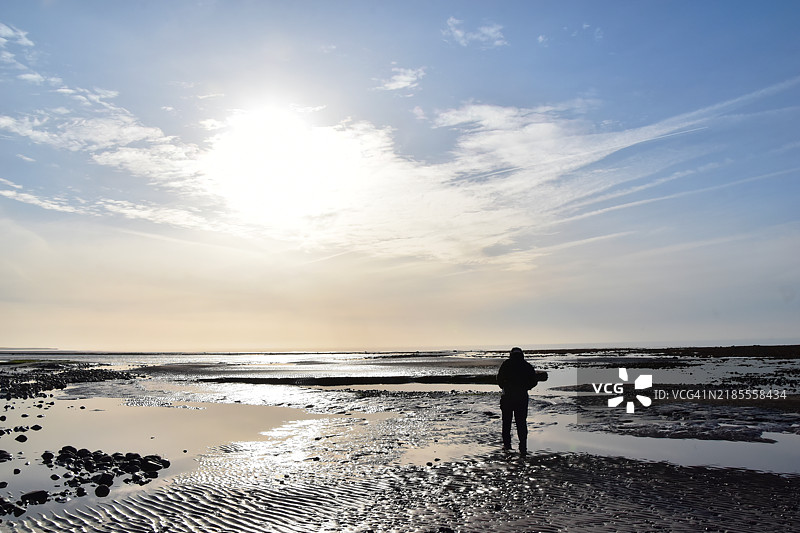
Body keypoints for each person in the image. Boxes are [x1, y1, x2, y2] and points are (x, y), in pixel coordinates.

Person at [497, 347, 539, 455]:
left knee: (506, 423)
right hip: (521, 397)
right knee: (521, 422)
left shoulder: (506, 364)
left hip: (508, 397)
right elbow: (534, 381)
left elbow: (499, 379)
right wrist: (526, 387)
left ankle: (507, 446)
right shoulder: (526, 365)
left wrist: (505, 387)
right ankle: (523, 446)